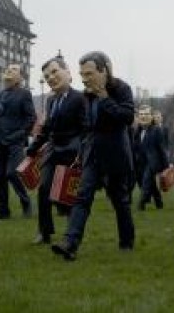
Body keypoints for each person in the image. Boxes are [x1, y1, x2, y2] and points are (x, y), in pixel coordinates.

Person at [52, 51, 136, 260]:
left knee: (120, 201)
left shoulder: (121, 89)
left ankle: (127, 242)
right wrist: (81, 153)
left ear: (103, 71)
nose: (84, 79)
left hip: (115, 155)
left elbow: (126, 117)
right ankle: (70, 243)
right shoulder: (85, 95)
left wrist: (105, 98)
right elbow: (87, 128)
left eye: (89, 74)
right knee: (82, 198)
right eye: (82, 74)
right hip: (92, 154)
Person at [27, 55, 84, 245]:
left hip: (72, 152)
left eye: (54, 72)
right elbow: (46, 128)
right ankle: (44, 232)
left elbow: (86, 130)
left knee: (66, 194)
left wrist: (81, 152)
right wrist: (33, 147)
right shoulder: (50, 101)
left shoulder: (80, 99)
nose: (51, 77)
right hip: (52, 151)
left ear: (67, 72)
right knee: (44, 189)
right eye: (47, 75)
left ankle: (71, 233)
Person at [0, 63, 36, 220]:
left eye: (13, 70)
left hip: (15, 141)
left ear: (20, 77)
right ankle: (3, 211)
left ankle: (26, 202)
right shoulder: (0, 94)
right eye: (7, 69)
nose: (9, 71)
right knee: (0, 177)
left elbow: (31, 118)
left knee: (12, 173)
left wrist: (20, 134)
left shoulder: (24, 94)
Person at [133, 105, 169, 211]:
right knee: (149, 183)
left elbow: (162, 149)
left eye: (146, 114)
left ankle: (141, 204)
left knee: (146, 181)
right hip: (140, 163)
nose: (143, 117)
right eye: (141, 114)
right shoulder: (136, 131)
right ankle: (158, 201)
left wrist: (166, 166)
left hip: (152, 162)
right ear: (138, 117)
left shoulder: (157, 130)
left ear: (151, 117)